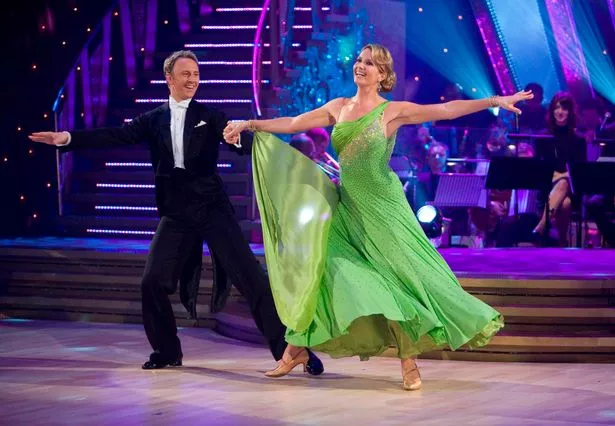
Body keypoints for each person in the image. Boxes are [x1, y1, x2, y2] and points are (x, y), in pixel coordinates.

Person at [224, 44, 531, 390]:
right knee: (324, 271)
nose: (361, 66)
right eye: (359, 60)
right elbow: (294, 123)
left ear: (382, 74)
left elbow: (445, 110)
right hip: (348, 208)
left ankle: (408, 361)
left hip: (384, 208)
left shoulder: (391, 111)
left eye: (369, 63)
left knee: (395, 280)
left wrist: (493, 101)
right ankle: (294, 350)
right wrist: (249, 124)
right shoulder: (339, 107)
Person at [28, 50, 324, 374]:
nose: (192, 80)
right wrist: (67, 138)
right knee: (152, 282)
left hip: (212, 209)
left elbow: (243, 143)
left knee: (252, 279)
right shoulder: (153, 119)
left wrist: (248, 143)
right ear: (169, 78)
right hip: (176, 214)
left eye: (196, 74)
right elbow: (115, 134)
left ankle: (291, 350)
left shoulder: (210, 115)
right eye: (186, 74)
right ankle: (166, 351)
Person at [533, 92, 587, 246]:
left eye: (564, 108)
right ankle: (563, 241)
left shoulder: (578, 139)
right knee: (565, 204)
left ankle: (541, 227)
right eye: (557, 108)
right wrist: (554, 176)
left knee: (564, 184)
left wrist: (561, 176)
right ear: (551, 111)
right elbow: (538, 168)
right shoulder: (542, 137)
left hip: (572, 187)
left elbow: (580, 169)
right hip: (547, 186)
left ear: (570, 112)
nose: (560, 112)